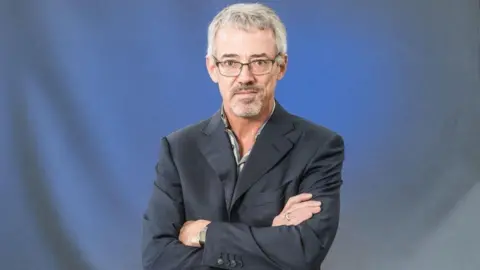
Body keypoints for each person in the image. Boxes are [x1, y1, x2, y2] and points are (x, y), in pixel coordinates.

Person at [142, 3, 345, 269]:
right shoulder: (178, 149)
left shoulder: (320, 147)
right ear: (212, 68)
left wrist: (205, 233)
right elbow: (157, 259)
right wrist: (270, 238)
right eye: (230, 62)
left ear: (281, 66)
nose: (245, 76)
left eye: (259, 62)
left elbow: (301, 253)